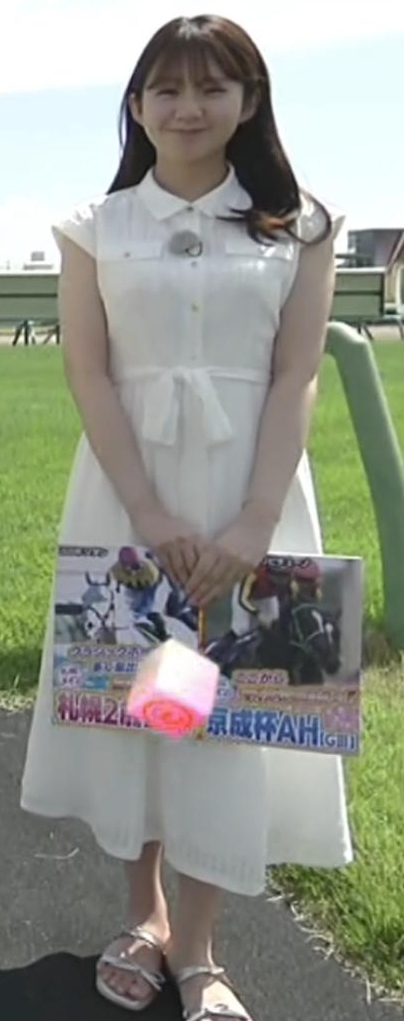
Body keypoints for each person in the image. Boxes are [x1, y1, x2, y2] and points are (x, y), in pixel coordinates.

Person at [20, 14, 353, 1020]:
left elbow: (295, 374)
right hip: (126, 496)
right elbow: (88, 371)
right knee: (139, 707)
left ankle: (200, 948)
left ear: (248, 102)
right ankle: (144, 917)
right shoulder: (95, 226)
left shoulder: (301, 226)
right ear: (136, 105)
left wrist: (253, 519)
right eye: (166, 88)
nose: (188, 107)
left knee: (229, 715)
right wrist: (149, 510)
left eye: (212, 87)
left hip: (254, 496)